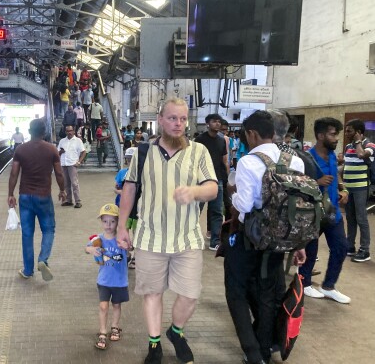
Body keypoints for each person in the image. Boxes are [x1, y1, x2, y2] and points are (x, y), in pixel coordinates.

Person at [116, 98, 218, 364]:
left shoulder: (199, 152)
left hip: (187, 238)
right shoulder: (141, 153)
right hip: (150, 238)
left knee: (190, 294)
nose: (178, 124)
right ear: (160, 120)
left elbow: (213, 188)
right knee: (152, 293)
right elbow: (129, 189)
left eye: (183, 119)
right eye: (172, 118)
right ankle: (154, 343)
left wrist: (194, 191)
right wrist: (121, 227)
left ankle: (176, 331)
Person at [225, 110, 306, 364]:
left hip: (250, 238)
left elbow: (245, 206)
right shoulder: (295, 160)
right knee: (268, 293)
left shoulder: (249, 161)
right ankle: (265, 348)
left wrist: (232, 195)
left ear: (251, 133)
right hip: (281, 240)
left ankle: (252, 353)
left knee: (236, 291)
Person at [299, 117, 351, 303]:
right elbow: (297, 182)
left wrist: (342, 189)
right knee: (310, 251)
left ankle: (328, 286)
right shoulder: (306, 157)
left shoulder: (330, 155)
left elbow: (336, 173)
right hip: (313, 213)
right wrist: (317, 182)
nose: (336, 138)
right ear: (320, 136)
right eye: (332, 134)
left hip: (333, 212)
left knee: (341, 247)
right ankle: (304, 284)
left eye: (336, 134)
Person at [8, 119, 66, 281]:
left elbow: (14, 174)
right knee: (48, 230)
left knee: (27, 234)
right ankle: (43, 260)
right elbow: (59, 173)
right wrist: (62, 190)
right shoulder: (51, 149)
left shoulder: (21, 149)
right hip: (43, 197)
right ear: (44, 132)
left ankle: (28, 270)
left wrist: (10, 194)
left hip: (25, 196)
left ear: (29, 130)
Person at [85, 203, 129, 350]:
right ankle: (102, 332)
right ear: (101, 222)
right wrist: (91, 249)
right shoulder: (99, 239)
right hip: (104, 280)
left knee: (116, 305)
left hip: (119, 281)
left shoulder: (121, 239)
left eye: (112, 221)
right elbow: (87, 247)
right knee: (103, 306)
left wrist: (127, 247)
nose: (108, 225)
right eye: (105, 221)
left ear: (118, 221)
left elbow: (130, 251)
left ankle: (115, 326)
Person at [195, 113, 228, 250]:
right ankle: (192, 237)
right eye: (214, 122)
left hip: (217, 180)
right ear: (207, 123)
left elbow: (224, 161)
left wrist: (226, 178)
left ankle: (215, 241)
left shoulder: (222, 141)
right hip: (201, 181)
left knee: (217, 212)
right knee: (196, 210)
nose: (218, 124)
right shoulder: (199, 140)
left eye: (219, 122)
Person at [343, 118, 374, 262]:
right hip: (348, 188)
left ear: (358, 132)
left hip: (361, 188)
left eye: (349, 131)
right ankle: (350, 246)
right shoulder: (348, 146)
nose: (346, 133)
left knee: (361, 218)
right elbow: (346, 164)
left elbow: (362, 155)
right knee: (350, 218)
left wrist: (357, 142)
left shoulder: (369, 144)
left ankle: (365, 250)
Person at [58, 125, 86, 209]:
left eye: (70, 131)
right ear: (65, 132)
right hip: (64, 164)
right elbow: (57, 152)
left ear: (74, 131)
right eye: (67, 131)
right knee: (66, 184)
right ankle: (69, 200)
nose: (69, 132)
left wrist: (79, 162)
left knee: (74, 183)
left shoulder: (78, 141)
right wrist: (61, 151)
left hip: (72, 164)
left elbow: (84, 152)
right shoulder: (62, 141)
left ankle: (78, 201)